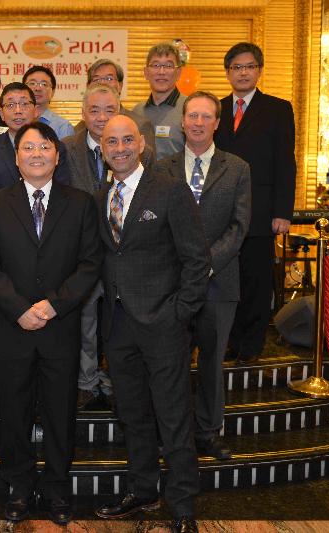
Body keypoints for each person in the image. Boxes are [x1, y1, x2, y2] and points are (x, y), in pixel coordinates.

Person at [0, 122, 102, 525]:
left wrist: (52, 306)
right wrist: (19, 309)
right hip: (13, 329)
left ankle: (58, 486)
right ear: (16, 157)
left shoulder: (80, 202)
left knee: (60, 410)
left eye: (44, 147)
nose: (36, 154)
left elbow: (89, 264)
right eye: (27, 147)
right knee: (13, 408)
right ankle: (18, 485)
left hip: (60, 327)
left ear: (56, 154)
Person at [94, 115, 209, 533]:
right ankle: (143, 490)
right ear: (101, 147)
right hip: (118, 325)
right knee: (133, 414)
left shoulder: (169, 189)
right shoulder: (101, 193)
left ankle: (182, 506)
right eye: (111, 141)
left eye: (127, 140)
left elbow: (198, 260)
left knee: (173, 416)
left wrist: (179, 313)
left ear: (141, 143)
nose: (120, 147)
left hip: (163, 324)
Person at [157, 91, 251, 460]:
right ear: (182, 122)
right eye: (191, 116)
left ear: (217, 123)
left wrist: (205, 263)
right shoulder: (162, 167)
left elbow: (240, 225)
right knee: (172, 362)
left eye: (205, 116)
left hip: (219, 281)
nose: (197, 123)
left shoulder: (238, 168)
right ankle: (173, 434)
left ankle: (210, 432)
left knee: (211, 361)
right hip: (172, 284)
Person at [63, 83, 155, 409]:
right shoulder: (65, 149)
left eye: (109, 110)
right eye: (94, 110)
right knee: (85, 322)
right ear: (83, 113)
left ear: (121, 111)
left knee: (121, 324)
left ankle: (120, 382)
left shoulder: (140, 150)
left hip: (126, 258)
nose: (102, 117)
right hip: (83, 255)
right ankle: (86, 382)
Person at [214, 42, 296, 364]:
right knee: (226, 280)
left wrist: (282, 212)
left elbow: (285, 162)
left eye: (249, 66)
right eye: (236, 67)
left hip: (262, 212)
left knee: (257, 281)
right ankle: (230, 340)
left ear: (259, 70)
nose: (243, 72)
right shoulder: (217, 109)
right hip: (222, 212)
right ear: (228, 72)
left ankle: (252, 345)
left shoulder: (278, 108)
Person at [0, 83, 71, 208]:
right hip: (4, 223)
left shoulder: (55, 147)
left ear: (36, 110)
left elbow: (63, 193)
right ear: (1, 113)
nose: (18, 111)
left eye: (25, 104)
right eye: (10, 105)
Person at [73, 59, 155, 149]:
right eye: (96, 79)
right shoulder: (78, 129)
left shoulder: (140, 125)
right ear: (87, 87)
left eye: (109, 78)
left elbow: (147, 161)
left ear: (120, 85)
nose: (103, 83)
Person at [133, 42, 186, 160]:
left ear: (178, 73)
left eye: (168, 66)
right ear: (146, 73)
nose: (161, 72)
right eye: (155, 65)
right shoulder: (136, 111)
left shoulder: (190, 108)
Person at [22, 65, 74, 140]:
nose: (37, 88)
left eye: (44, 84)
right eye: (32, 83)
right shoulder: (14, 120)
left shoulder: (63, 127)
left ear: (52, 92)